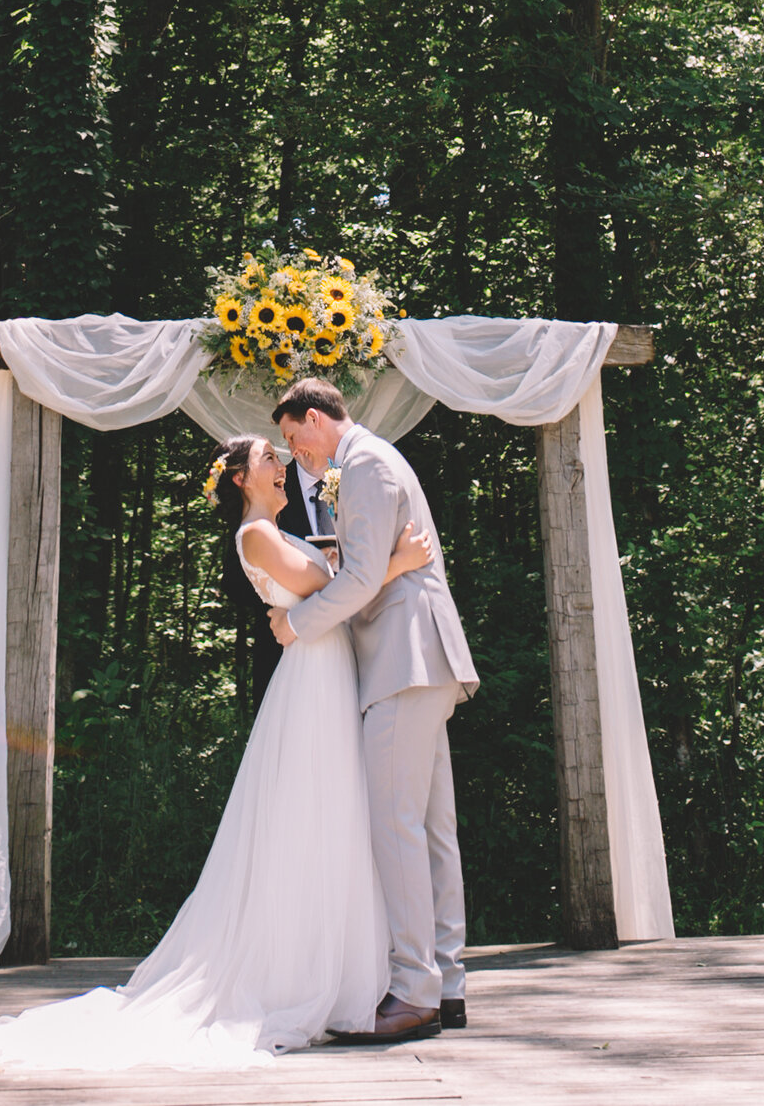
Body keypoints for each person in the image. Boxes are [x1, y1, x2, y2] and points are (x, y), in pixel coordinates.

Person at [0, 434, 431, 1072]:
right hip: (311, 683)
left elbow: (327, 587)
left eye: (281, 460)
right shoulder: (256, 535)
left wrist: (346, 566)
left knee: (336, 817)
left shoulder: (285, 528)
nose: (281, 468)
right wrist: (388, 566)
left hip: (326, 671)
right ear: (240, 481)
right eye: (268, 461)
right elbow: (327, 587)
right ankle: (306, 973)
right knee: (313, 813)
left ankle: (343, 966)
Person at [270, 378, 479, 1043]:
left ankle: (414, 988)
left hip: (402, 655)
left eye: (294, 437)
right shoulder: (352, 466)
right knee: (429, 827)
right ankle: (445, 984)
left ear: (315, 418)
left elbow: (361, 578)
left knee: (395, 827)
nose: (293, 452)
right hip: (421, 658)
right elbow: (357, 560)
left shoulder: (362, 465)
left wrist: (299, 623)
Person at [219, 456, 324, 710]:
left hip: (348, 646)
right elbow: (234, 582)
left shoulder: (357, 476)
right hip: (284, 653)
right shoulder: (264, 504)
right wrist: (283, 594)